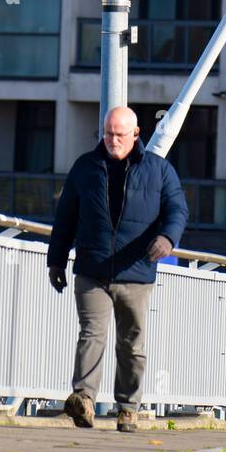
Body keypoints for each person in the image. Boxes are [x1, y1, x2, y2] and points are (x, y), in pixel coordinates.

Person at [46, 105, 189, 432]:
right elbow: (65, 217)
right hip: (92, 269)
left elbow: (177, 210)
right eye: (108, 133)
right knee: (91, 334)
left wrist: (167, 238)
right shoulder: (85, 167)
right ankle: (83, 399)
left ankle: (128, 408)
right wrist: (56, 259)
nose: (112, 140)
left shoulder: (159, 170)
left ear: (136, 134)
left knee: (130, 343)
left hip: (136, 271)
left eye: (119, 134)